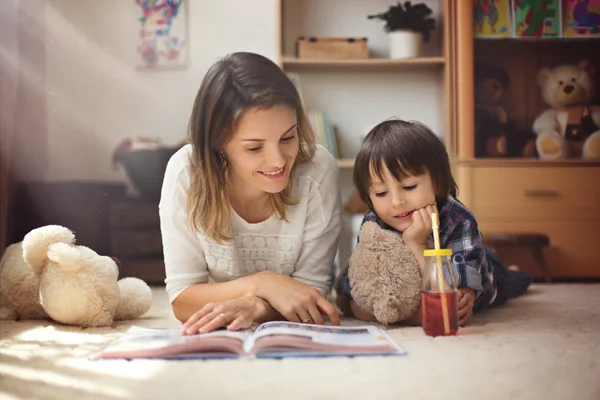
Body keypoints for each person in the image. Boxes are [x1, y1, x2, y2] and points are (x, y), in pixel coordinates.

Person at [159, 52, 342, 335]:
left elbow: (310, 295)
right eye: (254, 148)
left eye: (288, 138)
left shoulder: (317, 170)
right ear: (219, 143)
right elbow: (182, 301)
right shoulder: (186, 172)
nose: (279, 161)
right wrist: (263, 283)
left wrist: (256, 307)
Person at [335, 119, 532, 326]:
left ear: (437, 181)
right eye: (381, 193)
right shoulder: (373, 223)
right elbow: (354, 295)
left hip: (487, 272)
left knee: (511, 281)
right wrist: (413, 316)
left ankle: (513, 270)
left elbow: (449, 297)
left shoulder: (459, 220)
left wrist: (416, 244)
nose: (396, 202)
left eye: (409, 187)